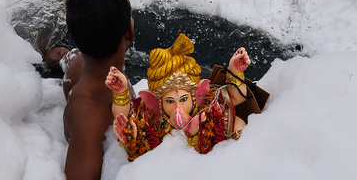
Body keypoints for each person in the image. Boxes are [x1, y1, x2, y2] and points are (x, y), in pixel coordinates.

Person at [103, 34, 252, 160]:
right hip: (167, 173)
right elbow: (122, 115)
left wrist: (235, 73)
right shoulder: (150, 117)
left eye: (183, 99)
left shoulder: (209, 106)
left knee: (238, 123)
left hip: (212, 167)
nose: (177, 107)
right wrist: (121, 94)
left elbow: (238, 99)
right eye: (169, 101)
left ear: (197, 95)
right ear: (156, 101)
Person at [57, 0, 135, 180]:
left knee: (64, 57)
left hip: (75, 66)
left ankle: (53, 53)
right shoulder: (92, 115)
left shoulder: (79, 60)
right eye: (131, 14)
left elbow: (71, 57)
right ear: (128, 34)